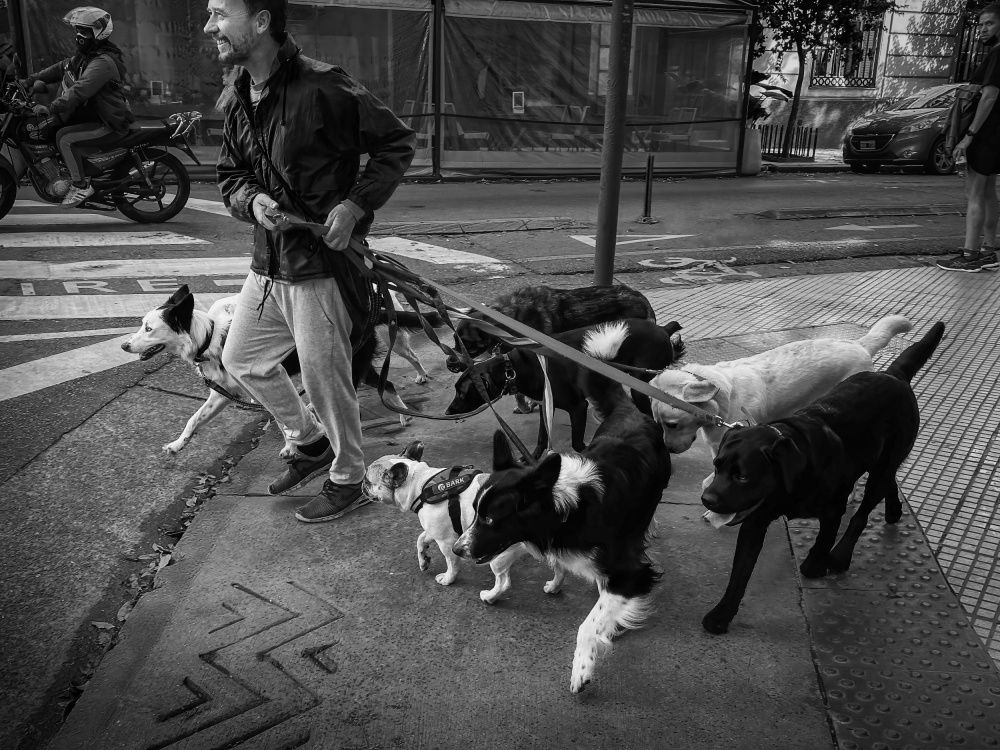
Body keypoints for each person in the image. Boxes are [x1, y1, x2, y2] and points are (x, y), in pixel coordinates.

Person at [209, 0, 415, 523]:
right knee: (241, 361)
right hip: (266, 263)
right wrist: (253, 202)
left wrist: (355, 204)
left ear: (260, 22)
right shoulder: (236, 93)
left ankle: (348, 477)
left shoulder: (325, 86)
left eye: (219, 13)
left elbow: (396, 143)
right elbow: (230, 173)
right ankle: (309, 442)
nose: (210, 26)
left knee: (327, 382)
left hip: (322, 269)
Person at [23, 6, 134, 207]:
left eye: (84, 31)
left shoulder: (103, 62)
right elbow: (60, 68)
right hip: (92, 116)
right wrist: (29, 81)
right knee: (56, 131)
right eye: (77, 30)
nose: (79, 36)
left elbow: (80, 91)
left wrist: (50, 107)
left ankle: (81, 186)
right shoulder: (86, 56)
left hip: (108, 121)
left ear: (99, 33)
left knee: (65, 138)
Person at [939, 2, 1000, 273]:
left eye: (989, 23)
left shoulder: (997, 55)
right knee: (987, 192)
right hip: (996, 134)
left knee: (974, 193)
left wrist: (969, 136)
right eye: (980, 24)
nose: (982, 29)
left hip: (986, 133)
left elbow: (989, 96)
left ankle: (970, 254)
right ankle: (988, 251)